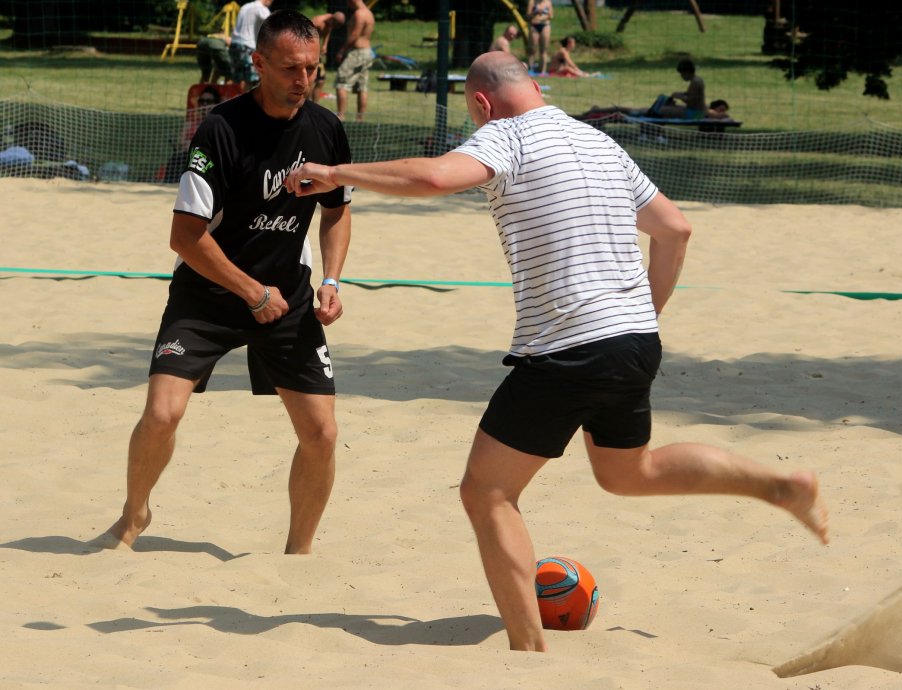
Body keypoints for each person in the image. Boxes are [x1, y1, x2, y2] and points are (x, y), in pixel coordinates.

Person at [282, 52, 829, 650]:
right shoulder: (598, 141)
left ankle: (527, 653)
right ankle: (779, 485)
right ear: (536, 87)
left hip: (568, 346)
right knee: (628, 472)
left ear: (483, 104)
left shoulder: (507, 136)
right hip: (634, 342)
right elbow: (675, 229)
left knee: (487, 492)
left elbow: (435, 178)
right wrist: (641, 315)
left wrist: (336, 173)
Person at [97, 10, 353, 555]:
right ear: (258, 63)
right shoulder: (221, 128)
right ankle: (133, 514)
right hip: (208, 294)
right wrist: (251, 292)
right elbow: (185, 237)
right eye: (290, 68)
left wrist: (332, 278)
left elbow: (336, 212)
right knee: (162, 414)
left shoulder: (326, 129)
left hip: (287, 298)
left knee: (322, 433)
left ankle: (298, 554)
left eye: (312, 68)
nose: (303, 79)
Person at [162, 86, 222, 183]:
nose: (204, 104)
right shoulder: (191, 123)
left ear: (217, 103)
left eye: (209, 101)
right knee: (176, 159)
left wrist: (191, 144)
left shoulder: (219, 124)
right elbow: (180, 143)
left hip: (209, 160)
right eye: (201, 101)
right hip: (187, 157)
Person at [334, 0, 375, 122]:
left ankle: (340, 116)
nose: (347, 3)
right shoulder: (369, 13)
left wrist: (342, 51)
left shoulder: (359, 14)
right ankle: (360, 118)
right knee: (362, 86)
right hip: (367, 52)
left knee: (341, 81)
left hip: (357, 53)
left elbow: (354, 35)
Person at [229, 0, 274, 92]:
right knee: (251, 80)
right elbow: (273, 26)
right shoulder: (261, 9)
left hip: (234, 44)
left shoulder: (245, 6)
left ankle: (232, 99)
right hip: (247, 47)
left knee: (236, 79)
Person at [310, 11, 347, 103]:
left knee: (321, 81)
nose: (335, 28)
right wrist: (315, 52)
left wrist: (325, 45)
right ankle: (306, 104)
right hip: (311, 54)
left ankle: (315, 105)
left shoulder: (329, 22)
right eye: (335, 25)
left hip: (317, 55)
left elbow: (328, 31)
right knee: (311, 81)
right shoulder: (317, 23)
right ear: (332, 20)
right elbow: (307, 38)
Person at [526, 0, 553, 73]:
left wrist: (542, 17)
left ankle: (542, 70)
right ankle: (530, 69)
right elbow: (528, 16)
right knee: (532, 49)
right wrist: (535, 12)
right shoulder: (532, 2)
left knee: (543, 50)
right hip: (534, 25)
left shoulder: (548, 2)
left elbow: (551, 16)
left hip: (545, 25)